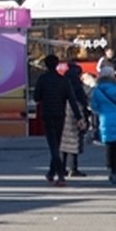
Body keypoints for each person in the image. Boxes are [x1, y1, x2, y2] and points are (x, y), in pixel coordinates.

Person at [34, 54, 79, 186]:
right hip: (60, 115)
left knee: (54, 147)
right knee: (56, 144)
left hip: (47, 115)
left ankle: (60, 176)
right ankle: (51, 173)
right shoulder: (63, 80)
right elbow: (71, 99)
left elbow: (36, 97)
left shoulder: (42, 79)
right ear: (57, 65)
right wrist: (79, 117)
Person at [90, 64, 116, 184]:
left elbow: (94, 106)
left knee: (108, 145)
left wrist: (101, 111)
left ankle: (110, 168)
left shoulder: (98, 90)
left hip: (105, 119)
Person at [61, 60, 91, 179]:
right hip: (74, 115)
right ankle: (73, 168)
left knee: (63, 144)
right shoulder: (77, 86)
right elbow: (81, 102)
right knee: (73, 143)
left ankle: (61, 168)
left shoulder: (63, 82)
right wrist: (83, 117)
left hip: (63, 114)